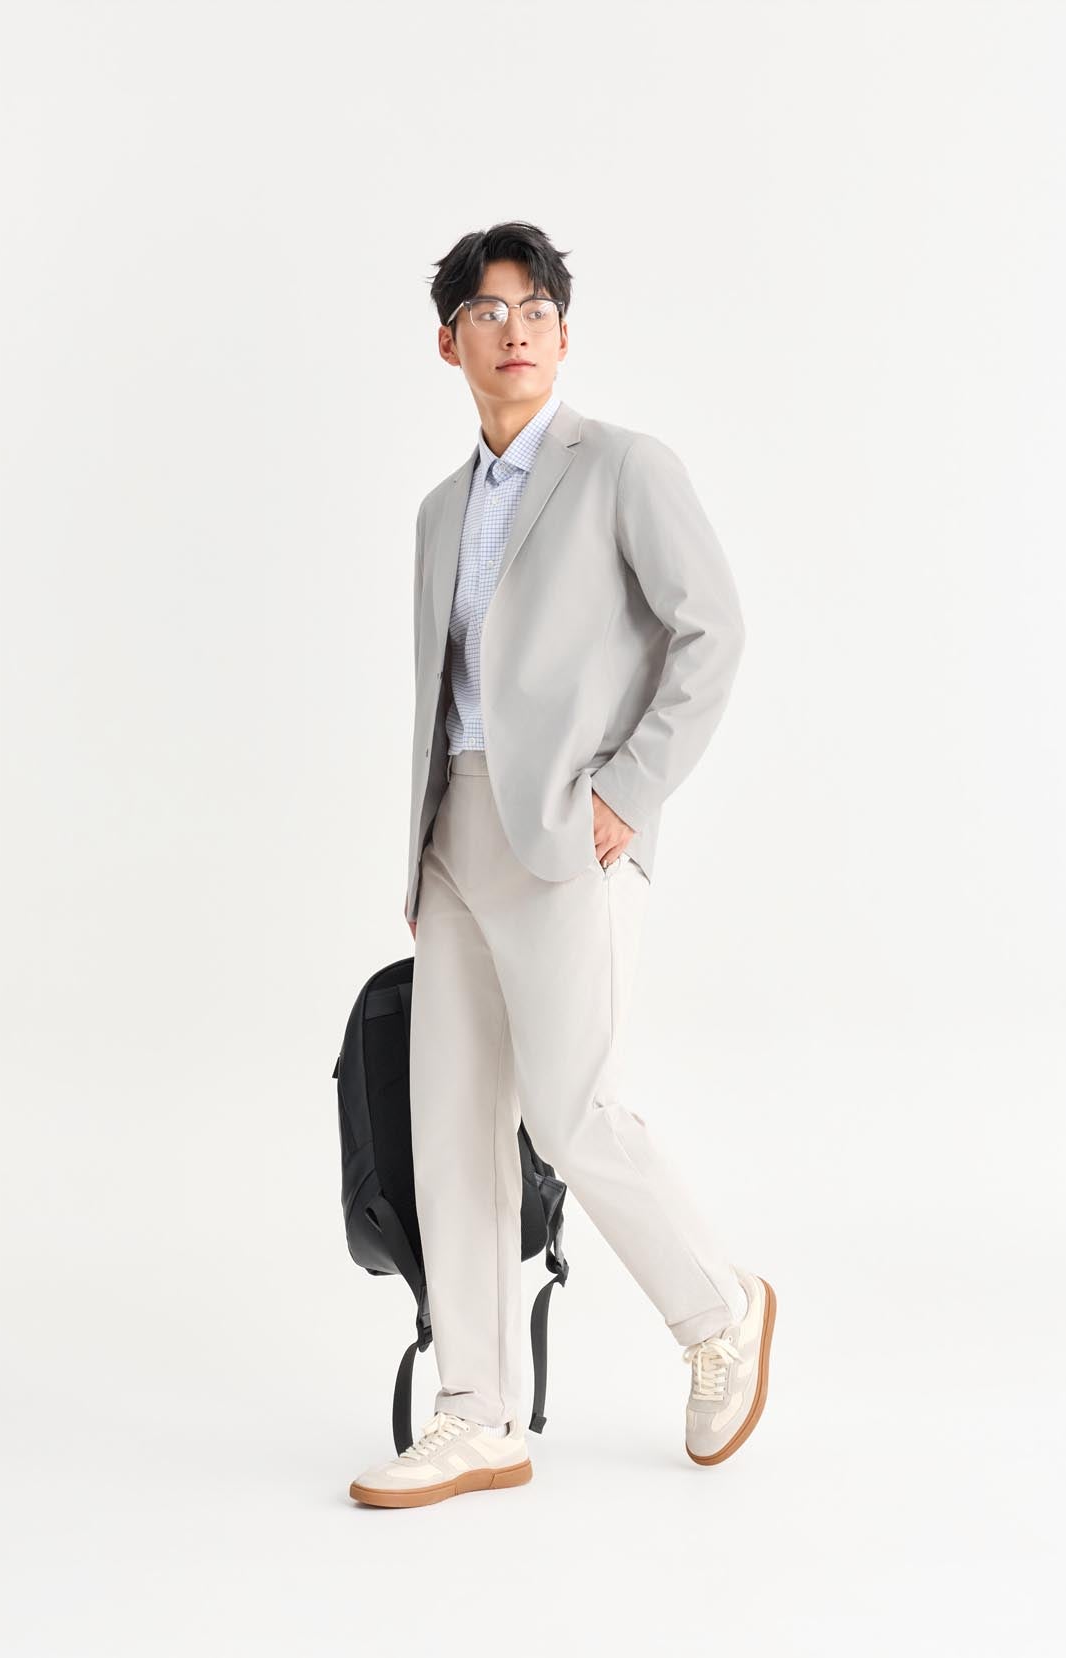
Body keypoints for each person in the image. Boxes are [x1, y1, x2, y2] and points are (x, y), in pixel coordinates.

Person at [348, 221, 776, 1510]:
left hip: (570, 831)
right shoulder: (439, 510)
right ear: (451, 343)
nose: (516, 330)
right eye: (489, 312)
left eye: (536, 309)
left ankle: (718, 1310)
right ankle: (475, 1414)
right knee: (451, 1132)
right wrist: (424, 850)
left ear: (563, 333)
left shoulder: (624, 467)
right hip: (453, 836)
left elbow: (713, 633)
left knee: (572, 1111)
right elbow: (446, 692)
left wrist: (629, 793)